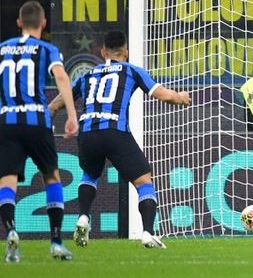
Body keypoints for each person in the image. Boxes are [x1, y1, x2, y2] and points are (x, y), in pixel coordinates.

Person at [49, 31, 191, 249]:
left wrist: (47, 120)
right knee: (144, 182)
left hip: (87, 133)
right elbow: (163, 95)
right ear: (126, 52)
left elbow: (56, 103)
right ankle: (148, 233)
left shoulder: (88, 75)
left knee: (90, 175)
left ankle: (84, 217)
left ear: (103, 52)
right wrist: (180, 98)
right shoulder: (131, 70)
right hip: (115, 131)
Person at [0, 1, 79, 262]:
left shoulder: (2, 49)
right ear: (44, 23)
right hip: (37, 121)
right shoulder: (47, 48)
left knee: (7, 180)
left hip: (7, 121)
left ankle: (11, 231)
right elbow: (61, 77)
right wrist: (71, 114)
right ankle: (56, 242)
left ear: (19, 23)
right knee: (51, 177)